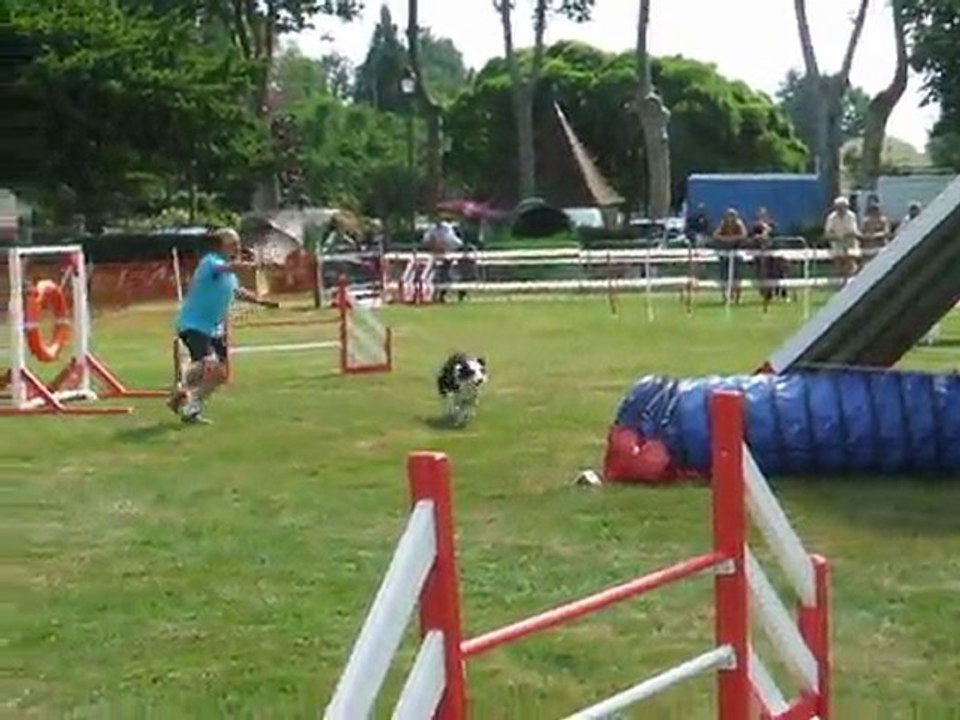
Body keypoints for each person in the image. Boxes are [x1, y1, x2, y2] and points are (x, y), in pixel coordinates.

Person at [167, 228, 278, 424]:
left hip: (212, 328)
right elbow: (228, 269)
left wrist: (262, 302)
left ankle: (187, 400)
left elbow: (237, 292)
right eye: (233, 244)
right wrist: (255, 264)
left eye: (238, 243)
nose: (237, 247)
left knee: (221, 374)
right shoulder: (210, 262)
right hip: (194, 324)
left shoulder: (229, 272)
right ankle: (187, 397)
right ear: (220, 246)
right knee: (210, 366)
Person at [422, 218, 466, 302]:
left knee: (448, 272)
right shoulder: (432, 228)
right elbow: (426, 240)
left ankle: (459, 290)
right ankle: (443, 294)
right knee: (445, 273)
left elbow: (448, 240)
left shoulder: (446, 228)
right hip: (442, 252)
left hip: (454, 249)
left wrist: (438, 246)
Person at [712, 208, 748, 304]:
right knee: (724, 275)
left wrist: (731, 239)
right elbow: (715, 235)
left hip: (737, 253)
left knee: (737, 276)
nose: (731, 218)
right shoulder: (723, 224)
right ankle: (725, 296)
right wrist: (725, 239)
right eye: (729, 215)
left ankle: (738, 297)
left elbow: (744, 235)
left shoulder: (739, 224)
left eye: (733, 215)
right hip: (725, 253)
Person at [823, 196, 861, 282]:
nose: (840, 209)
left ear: (846, 207)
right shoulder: (831, 217)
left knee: (850, 264)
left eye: (842, 206)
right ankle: (840, 283)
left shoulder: (851, 216)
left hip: (850, 243)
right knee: (839, 264)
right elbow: (827, 233)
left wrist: (846, 237)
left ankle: (853, 281)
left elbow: (854, 231)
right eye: (838, 207)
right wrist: (836, 237)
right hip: (836, 244)